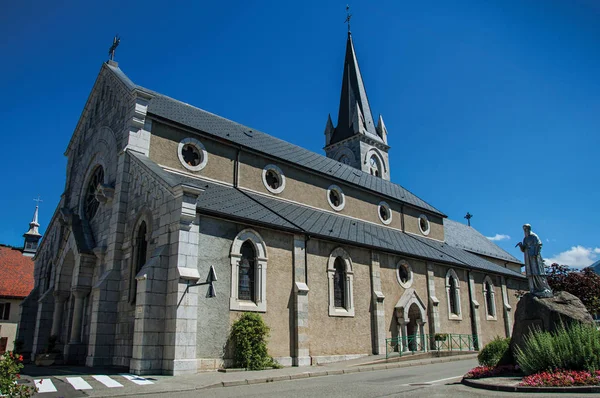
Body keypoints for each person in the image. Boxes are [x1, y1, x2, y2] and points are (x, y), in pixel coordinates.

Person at [516, 224, 553, 298]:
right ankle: (533, 289)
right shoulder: (525, 239)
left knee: (537, 271)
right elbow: (523, 249)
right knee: (530, 273)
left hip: (534, 257)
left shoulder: (534, 236)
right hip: (528, 257)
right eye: (524, 229)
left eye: (526, 229)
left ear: (529, 229)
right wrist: (521, 245)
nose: (525, 231)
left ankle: (542, 288)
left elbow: (539, 244)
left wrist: (535, 253)